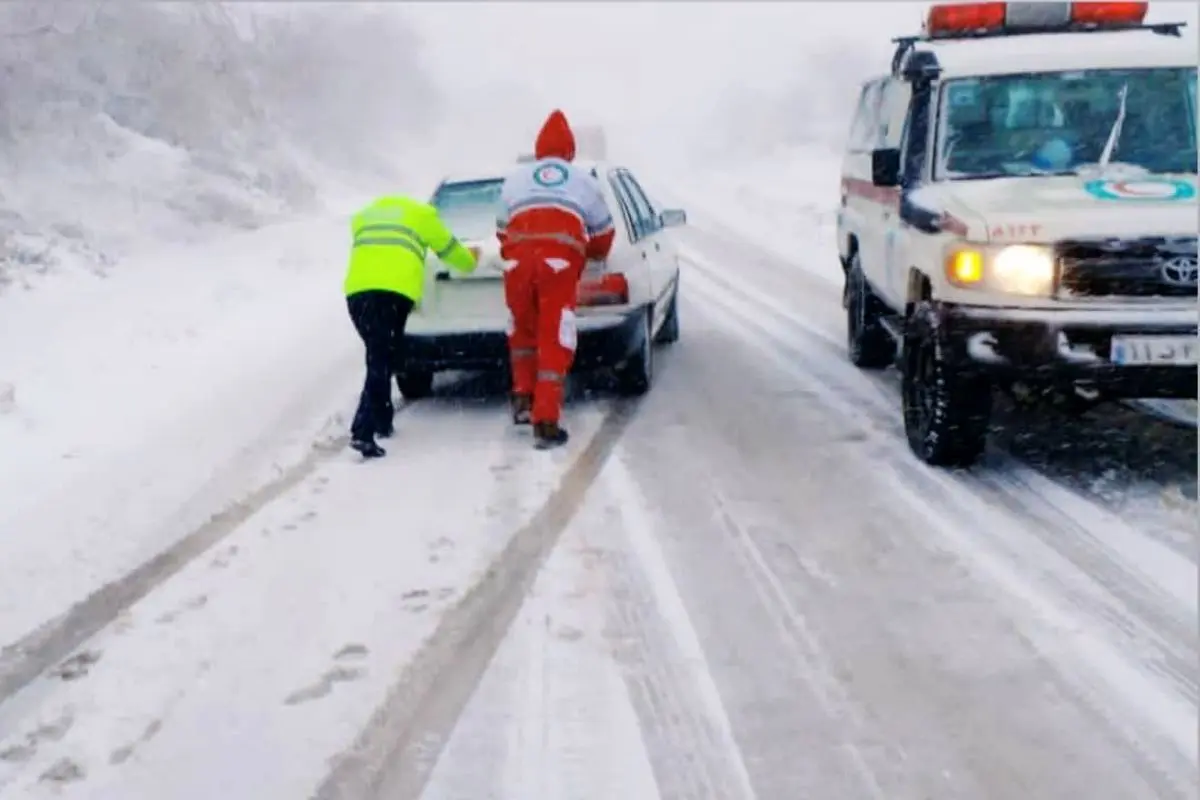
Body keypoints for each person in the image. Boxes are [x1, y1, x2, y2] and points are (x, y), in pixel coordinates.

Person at [495, 109, 615, 449]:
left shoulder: (515, 179)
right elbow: (604, 234)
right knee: (554, 337)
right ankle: (545, 420)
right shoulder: (582, 180)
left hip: (517, 264)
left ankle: (522, 399)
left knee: (522, 331)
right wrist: (586, 253)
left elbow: (502, 229)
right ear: (569, 150)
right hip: (558, 266)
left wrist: (521, 254)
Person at [344, 195, 477, 459]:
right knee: (381, 358)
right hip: (393, 293)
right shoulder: (423, 215)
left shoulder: (364, 216)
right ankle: (363, 430)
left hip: (357, 294)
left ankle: (382, 420)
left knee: (379, 355)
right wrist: (471, 260)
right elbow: (452, 253)